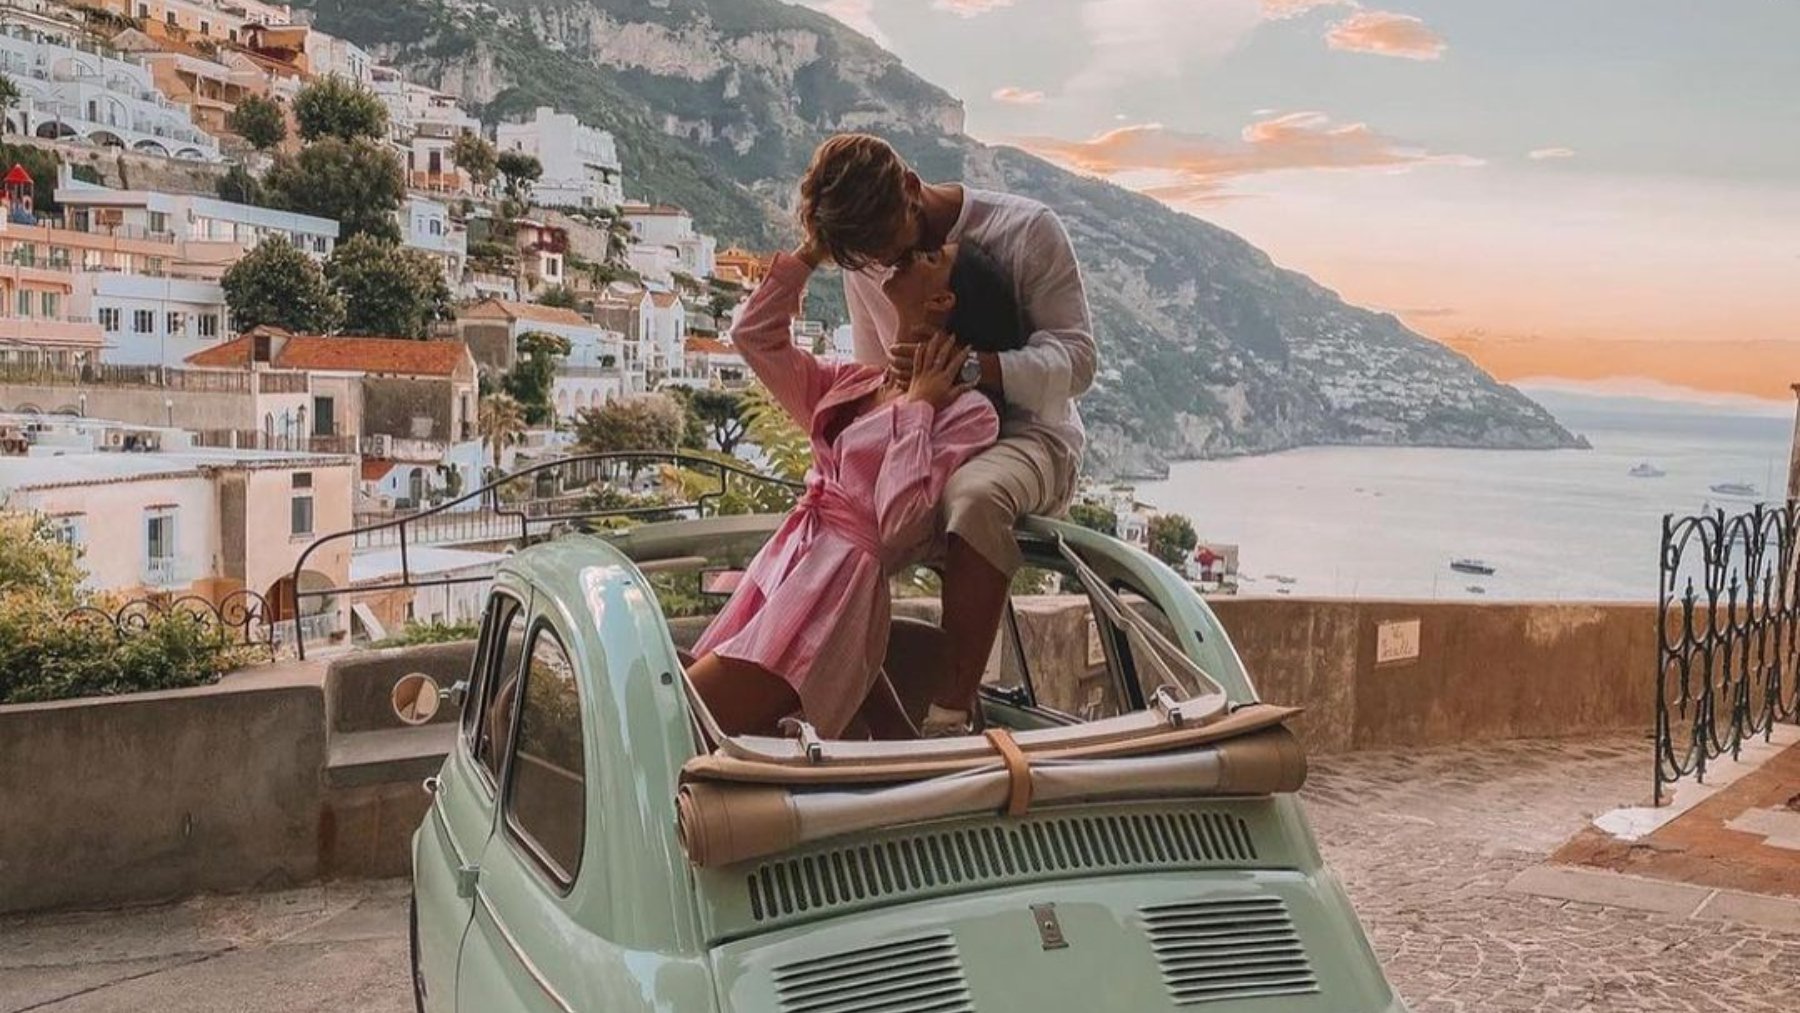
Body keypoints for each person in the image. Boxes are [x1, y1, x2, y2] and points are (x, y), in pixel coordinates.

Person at [797, 133, 1096, 736]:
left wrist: (972, 369)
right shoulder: (870, 260)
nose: (889, 268)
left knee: (976, 496)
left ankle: (949, 715)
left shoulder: (1028, 230)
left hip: (1028, 435)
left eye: (893, 250)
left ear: (911, 188)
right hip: (930, 427)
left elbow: (1079, 363)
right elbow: (875, 371)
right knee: (839, 518)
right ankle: (841, 707)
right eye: (871, 259)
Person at [685, 238, 1029, 738]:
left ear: (942, 301)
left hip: (830, 596)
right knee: (692, 735)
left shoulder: (965, 413)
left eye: (931, 256)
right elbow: (753, 337)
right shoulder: (857, 383)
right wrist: (812, 252)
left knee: (682, 720)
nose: (905, 253)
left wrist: (918, 408)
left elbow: (899, 524)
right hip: (786, 568)